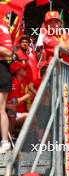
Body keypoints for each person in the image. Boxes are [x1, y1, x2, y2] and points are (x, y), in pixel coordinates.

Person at [0, 19, 13, 153]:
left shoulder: (2, 27)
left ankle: (5, 142)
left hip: (1, 69)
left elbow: (9, 52)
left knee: (0, 108)